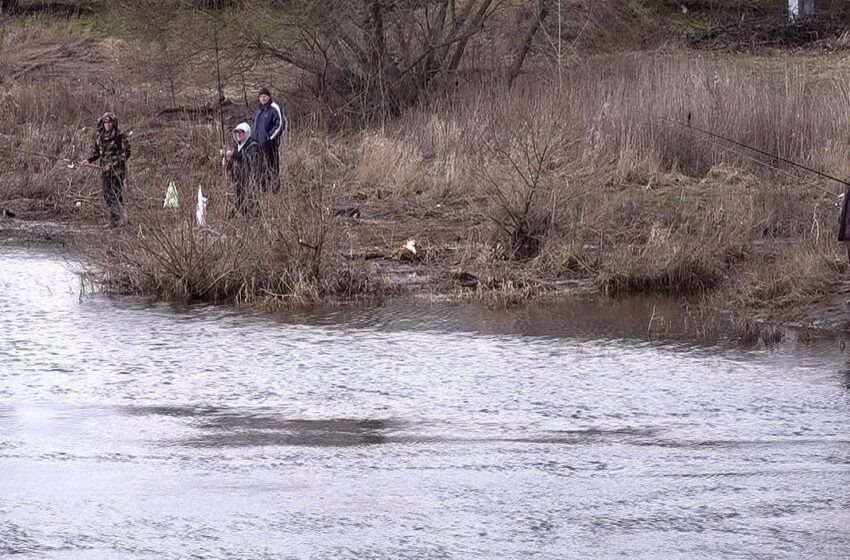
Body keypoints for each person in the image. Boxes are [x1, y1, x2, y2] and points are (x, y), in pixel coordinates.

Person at [79, 112, 131, 226]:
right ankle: (115, 218)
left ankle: (118, 219)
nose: (107, 124)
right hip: (105, 171)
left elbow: (127, 152)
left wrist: (115, 163)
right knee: (107, 193)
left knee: (116, 194)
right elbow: (96, 152)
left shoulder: (119, 135)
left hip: (117, 171)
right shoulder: (101, 137)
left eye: (109, 122)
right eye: (105, 122)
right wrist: (88, 160)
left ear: (113, 123)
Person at [223, 122, 264, 218]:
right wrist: (227, 162)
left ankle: (257, 223)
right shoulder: (236, 147)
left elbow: (250, 161)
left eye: (241, 132)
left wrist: (233, 155)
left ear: (246, 133)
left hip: (250, 182)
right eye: (236, 132)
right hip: (237, 181)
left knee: (252, 204)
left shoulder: (253, 145)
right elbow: (234, 163)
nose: (238, 134)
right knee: (240, 204)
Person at [250, 87, 286, 192]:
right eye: (261, 97)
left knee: (272, 165)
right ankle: (263, 188)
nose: (263, 98)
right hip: (257, 145)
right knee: (260, 166)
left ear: (269, 97)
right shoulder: (258, 111)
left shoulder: (274, 108)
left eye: (265, 96)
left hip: (270, 144)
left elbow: (279, 125)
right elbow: (254, 125)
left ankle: (275, 189)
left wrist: (269, 138)